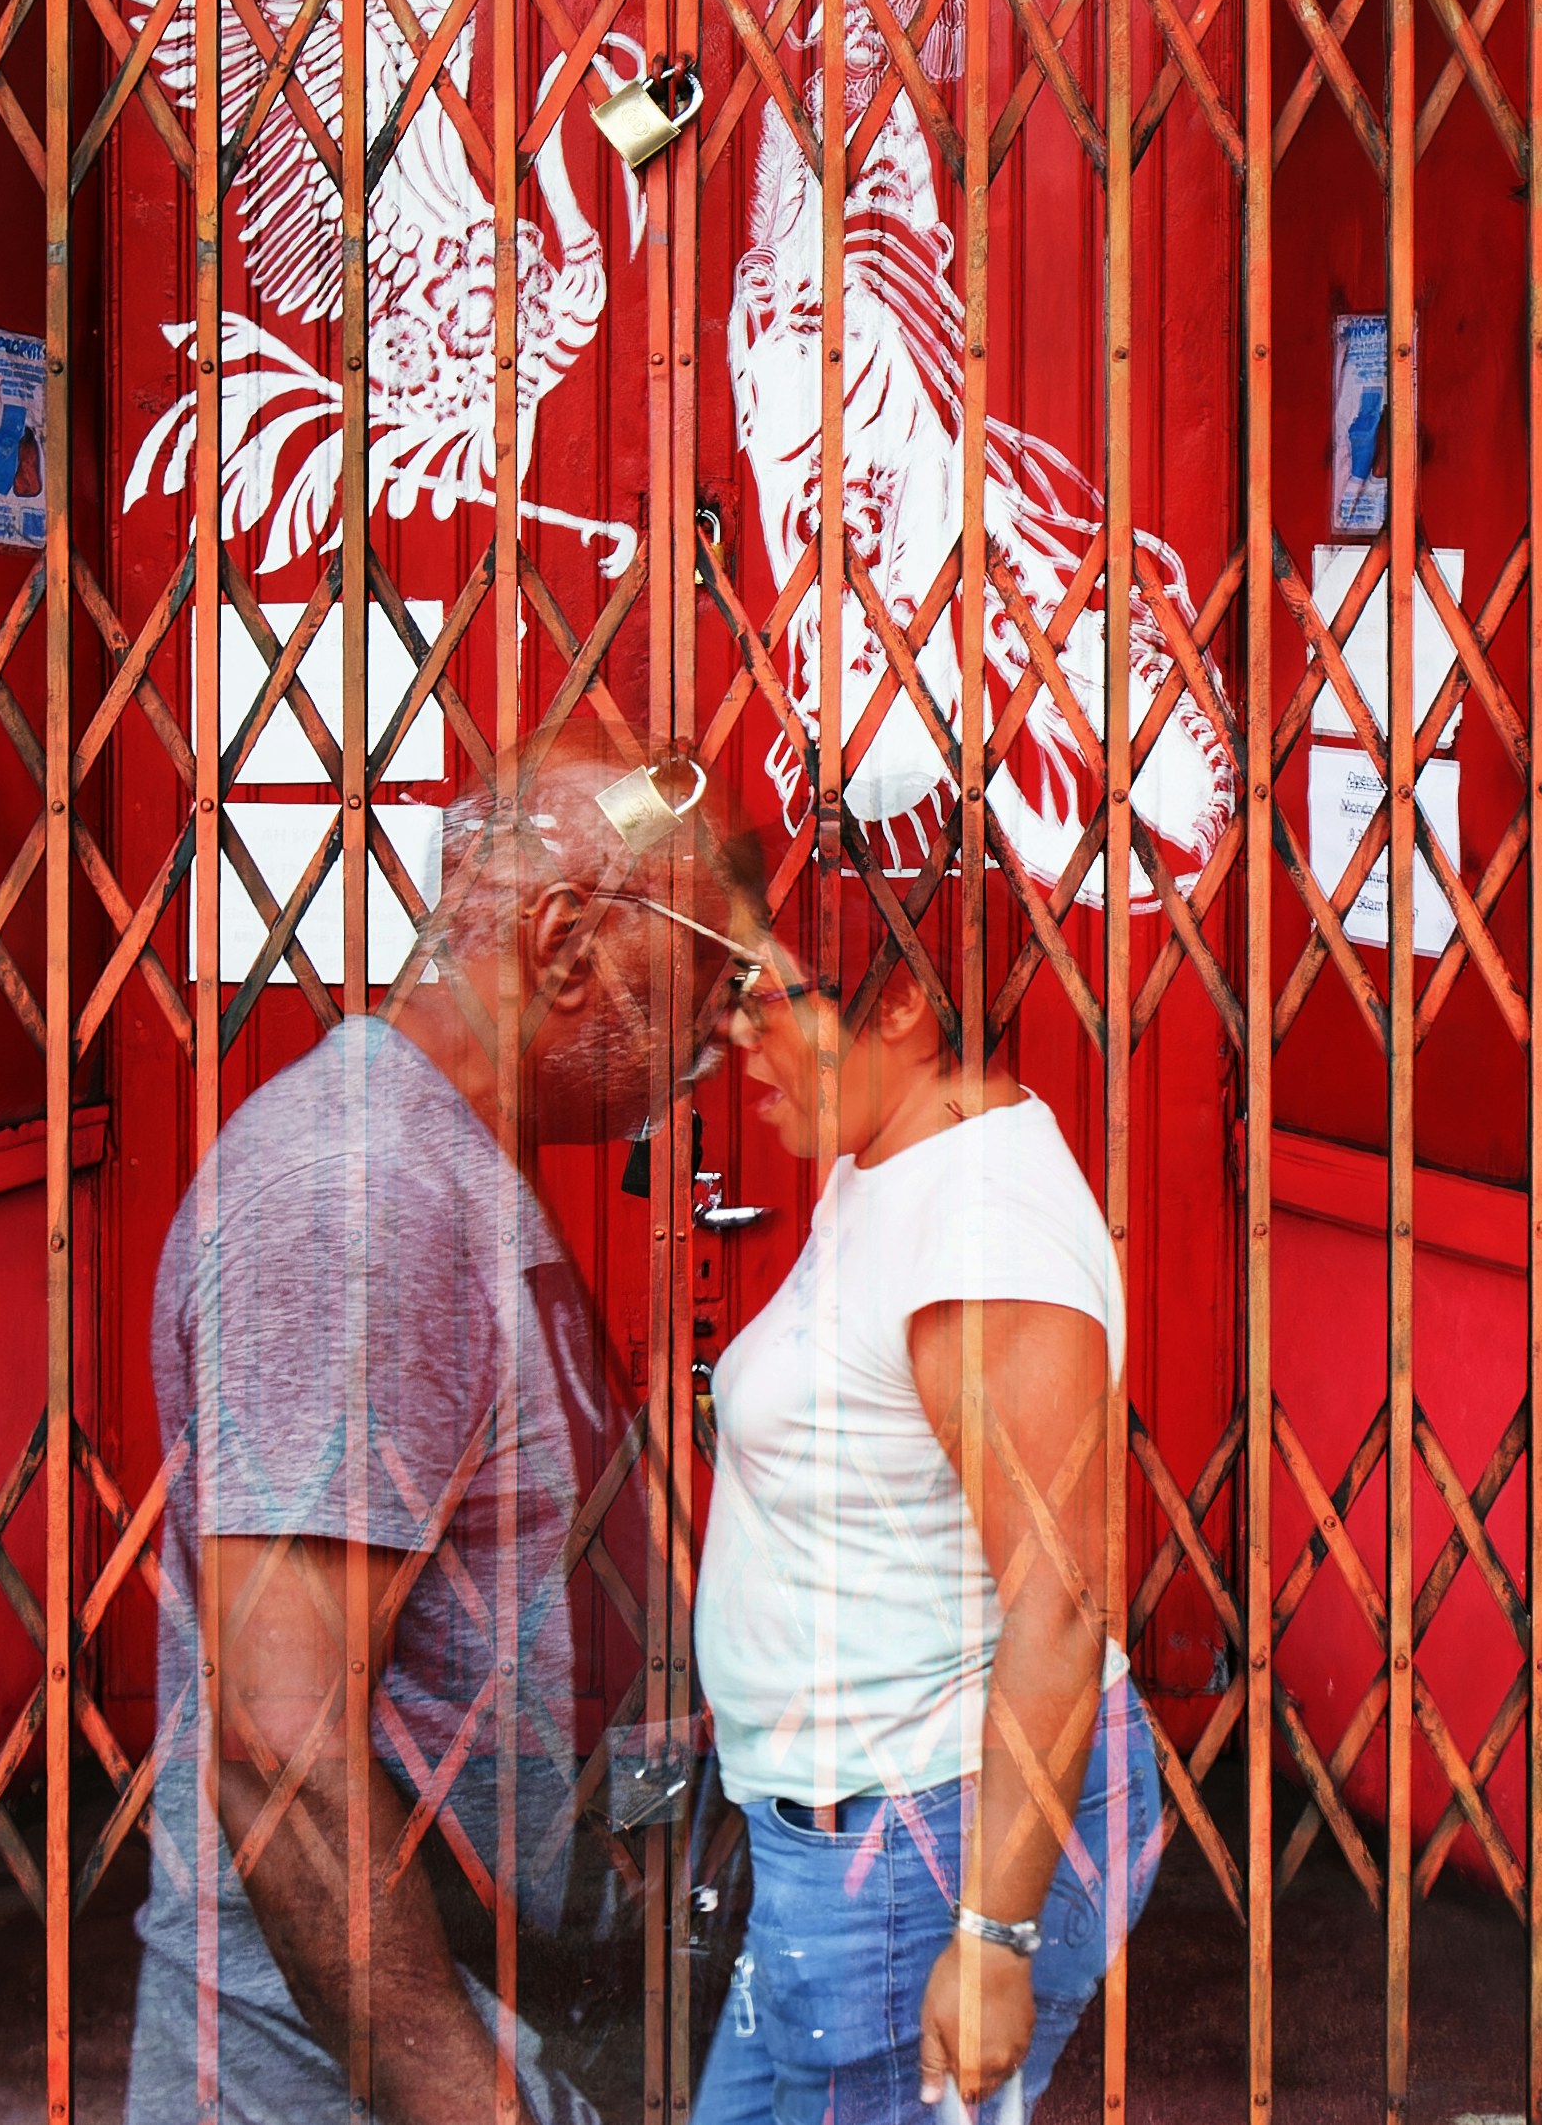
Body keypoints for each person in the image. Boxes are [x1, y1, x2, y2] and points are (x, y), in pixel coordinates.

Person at [132, 744, 771, 2125]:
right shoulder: (352, 1195)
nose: (719, 1042)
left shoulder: (450, 1165)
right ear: (562, 946)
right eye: (704, 986)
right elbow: (277, 1754)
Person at [690, 962, 1157, 2125]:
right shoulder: (892, 1161)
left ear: (901, 998)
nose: (733, 1028)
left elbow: (1065, 1589)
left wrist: (993, 1935)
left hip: (922, 1851)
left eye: (766, 993)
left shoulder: (980, 1220)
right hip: (862, 1843)